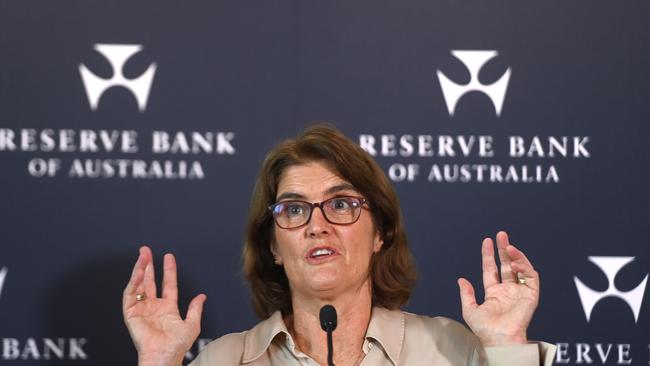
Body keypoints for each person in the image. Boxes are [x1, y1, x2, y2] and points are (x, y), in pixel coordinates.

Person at [123, 125, 556, 366]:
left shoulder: (450, 351)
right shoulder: (223, 361)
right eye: (293, 210)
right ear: (274, 246)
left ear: (380, 232)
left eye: (342, 204)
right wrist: (159, 361)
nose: (317, 225)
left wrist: (506, 342)